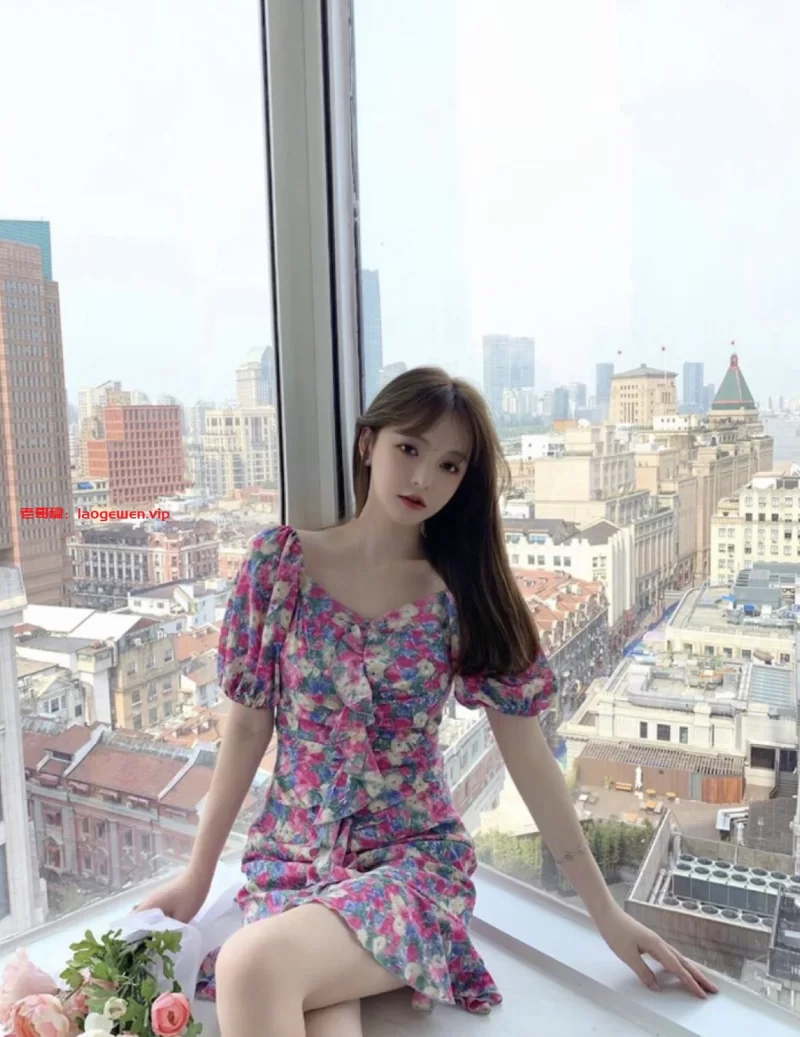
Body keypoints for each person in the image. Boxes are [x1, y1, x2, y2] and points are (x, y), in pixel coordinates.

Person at [139, 367, 717, 1037]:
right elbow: (246, 728)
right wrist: (197, 874)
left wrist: (606, 913)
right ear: (368, 444)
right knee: (317, 1013)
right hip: (292, 858)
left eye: (448, 465)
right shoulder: (280, 565)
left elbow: (529, 756)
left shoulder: (460, 595)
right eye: (408, 448)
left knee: (251, 967)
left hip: (411, 864)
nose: (422, 478)